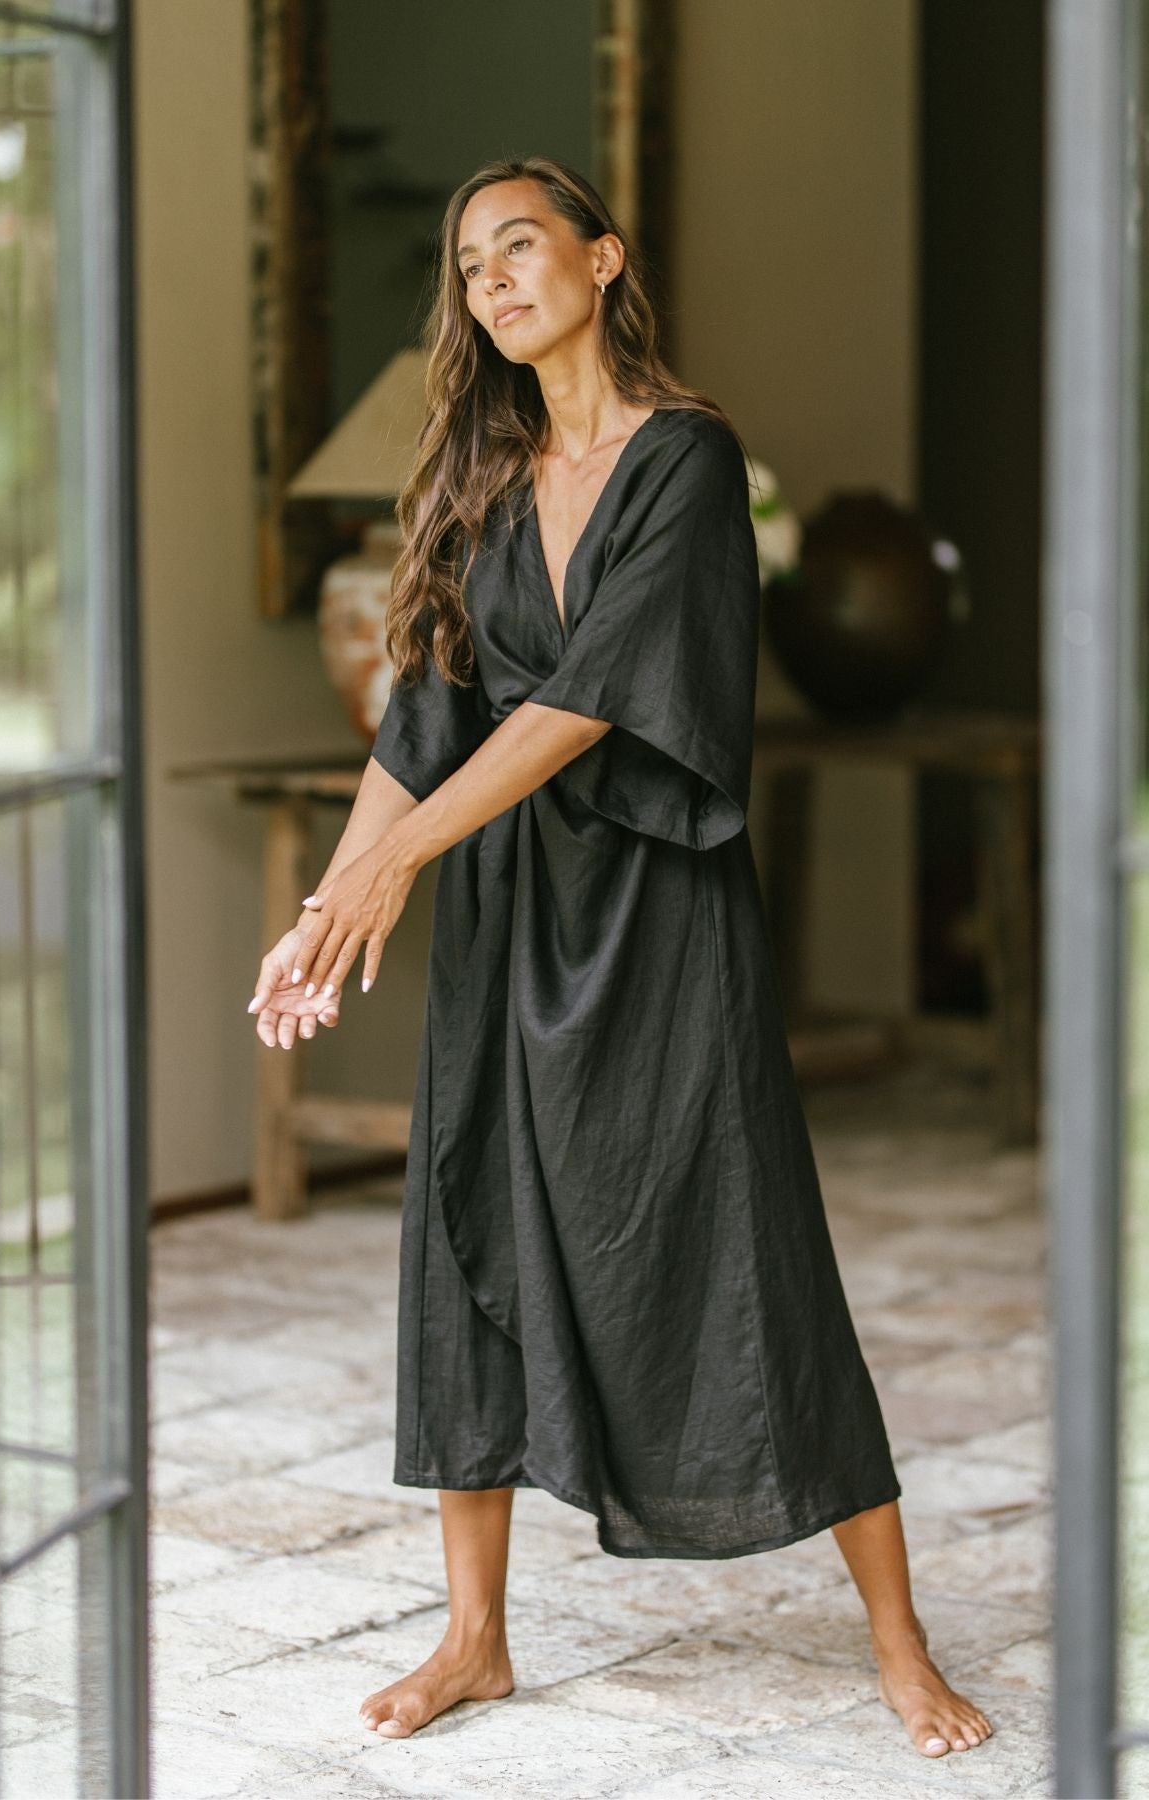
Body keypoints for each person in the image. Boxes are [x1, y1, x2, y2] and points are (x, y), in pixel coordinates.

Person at [245, 155, 993, 1761]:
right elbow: (429, 705)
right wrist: (328, 903)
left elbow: (592, 699)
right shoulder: (475, 474)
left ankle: (899, 1639)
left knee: (743, 1236)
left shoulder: (687, 462)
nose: (492, 281)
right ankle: (475, 1638)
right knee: (468, 1236)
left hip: (658, 914)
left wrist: (397, 866)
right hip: (509, 914)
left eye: (520, 246)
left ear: (604, 257)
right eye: (466, 267)